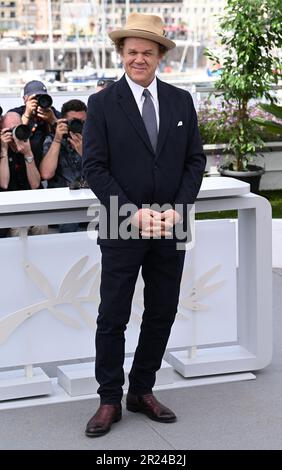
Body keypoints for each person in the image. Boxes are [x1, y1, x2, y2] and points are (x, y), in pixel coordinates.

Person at [82, 12, 206, 438]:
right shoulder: (100, 104)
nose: (139, 59)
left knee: (163, 310)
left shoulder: (180, 101)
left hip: (172, 221)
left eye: (147, 53)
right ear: (122, 54)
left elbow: (195, 161)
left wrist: (178, 207)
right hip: (122, 220)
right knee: (112, 314)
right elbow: (94, 168)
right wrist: (133, 211)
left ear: (160, 57)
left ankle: (143, 390)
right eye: (132, 52)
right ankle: (109, 399)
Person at [40, 99, 87, 232]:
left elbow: (105, 171)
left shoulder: (94, 140)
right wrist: (57, 139)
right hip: (63, 202)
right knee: (69, 223)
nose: (79, 126)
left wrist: (85, 153)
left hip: (89, 202)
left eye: (83, 122)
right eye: (74, 122)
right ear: (64, 122)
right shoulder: (53, 139)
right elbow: (46, 174)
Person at [0, 112, 46, 236]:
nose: (15, 133)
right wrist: (3, 150)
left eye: (17, 128)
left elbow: (35, 184)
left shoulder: (32, 145)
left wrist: (28, 153)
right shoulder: (1, 149)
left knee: (41, 225)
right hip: (9, 207)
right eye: (10, 130)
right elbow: (3, 184)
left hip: (31, 204)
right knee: (19, 229)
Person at [8, 80, 60, 164]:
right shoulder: (17, 113)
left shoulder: (53, 113)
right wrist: (27, 115)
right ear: (25, 99)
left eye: (42, 97)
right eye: (35, 98)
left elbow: (67, 136)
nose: (39, 101)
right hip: (24, 163)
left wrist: (52, 120)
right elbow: (13, 140)